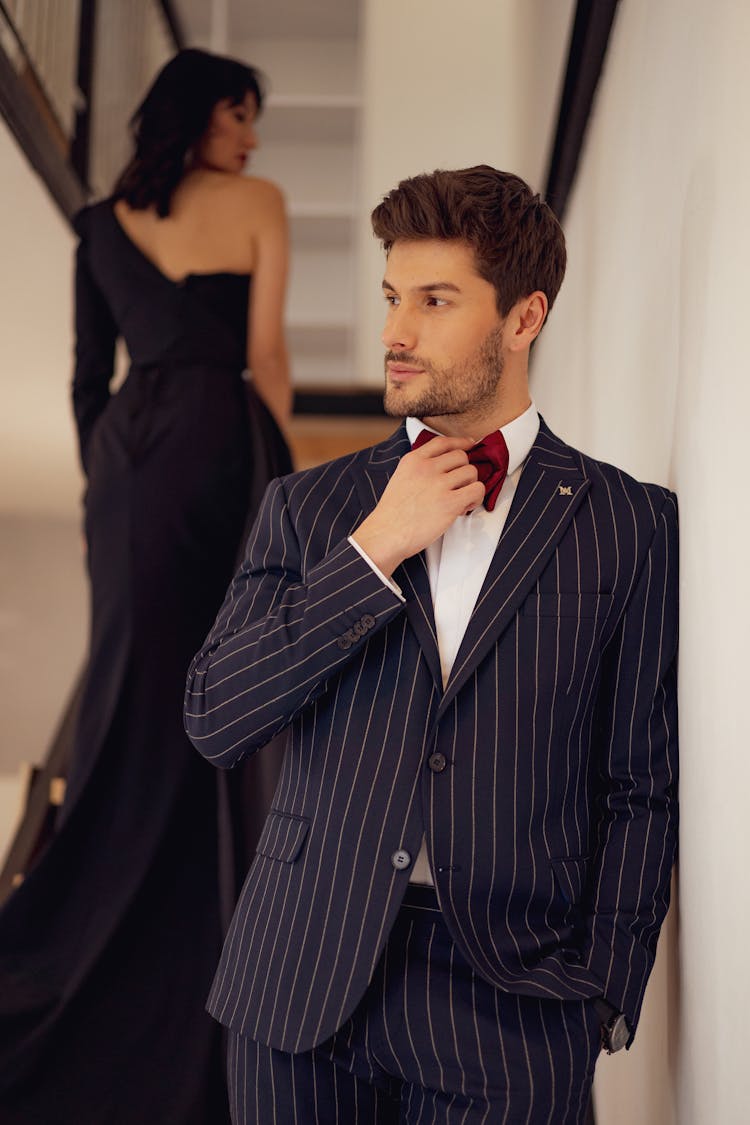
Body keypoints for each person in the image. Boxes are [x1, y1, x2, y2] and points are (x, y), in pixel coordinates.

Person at [184, 165, 678, 1124]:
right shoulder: (311, 507)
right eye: (391, 297)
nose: (394, 333)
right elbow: (215, 716)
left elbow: (639, 785)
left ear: (524, 318)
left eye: (435, 300)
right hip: (301, 982)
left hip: (513, 1005)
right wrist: (373, 550)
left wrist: (606, 994)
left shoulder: (631, 523)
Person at [0, 48, 292, 1124]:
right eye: (241, 114)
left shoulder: (96, 223)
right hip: (219, 439)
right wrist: (286, 479)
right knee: (223, 680)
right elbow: (265, 359)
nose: (253, 139)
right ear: (200, 114)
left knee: (138, 685)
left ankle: (92, 933)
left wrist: (112, 477)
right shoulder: (261, 201)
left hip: (128, 462)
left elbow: (88, 378)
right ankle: (204, 937)